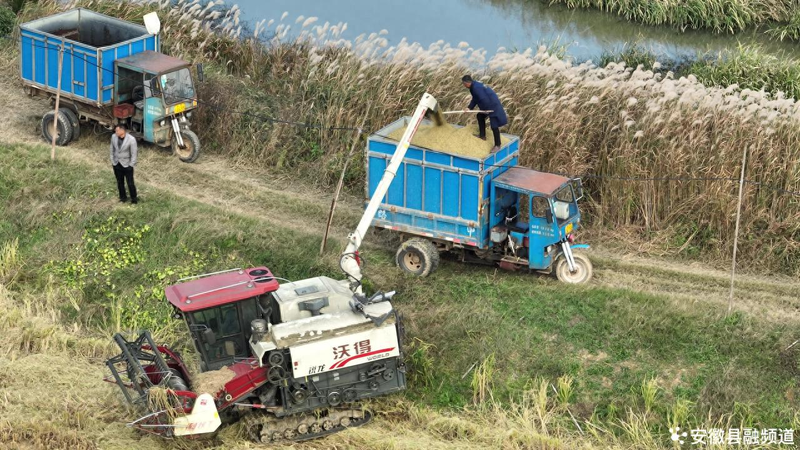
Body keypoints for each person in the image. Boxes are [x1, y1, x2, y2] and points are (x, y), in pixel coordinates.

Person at [462, 75, 508, 153]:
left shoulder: (476, 88)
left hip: (492, 105)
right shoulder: (473, 86)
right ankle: (482, 135)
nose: (463, 85)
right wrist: (469, 108)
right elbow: (475, 98)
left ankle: (497, 145)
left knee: (494, 125)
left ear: (467, 83)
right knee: (480, 116)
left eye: (463, 83)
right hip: (488, 104)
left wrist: (485, 110)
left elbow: (483, 99)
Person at [110, 123, 138, 204]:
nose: (116, 132)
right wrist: (113, 161)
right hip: (116, 163)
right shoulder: (113, 137)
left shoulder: (131, 139)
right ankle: (123, 198)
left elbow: (134, 153)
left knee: (130, 183)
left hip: (127, 165)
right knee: (119, 182)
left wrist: (131, 165)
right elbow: (112, 149)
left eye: (117, 131)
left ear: (122, 130)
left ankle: (134, 199)